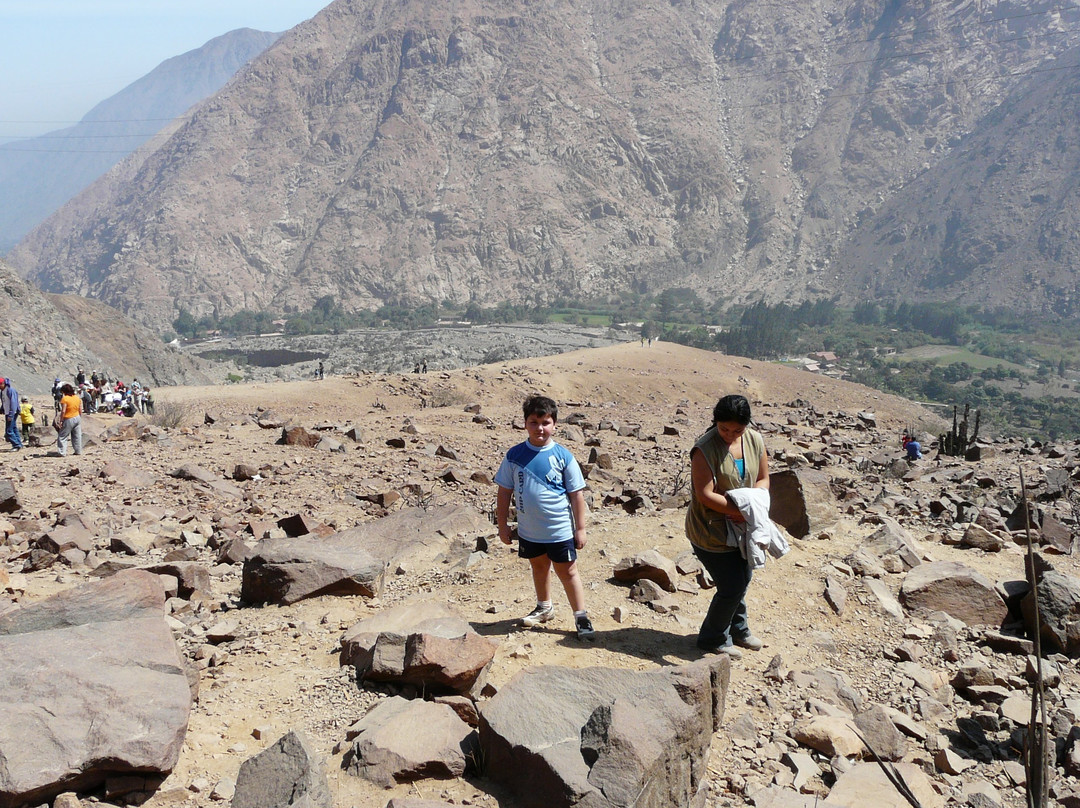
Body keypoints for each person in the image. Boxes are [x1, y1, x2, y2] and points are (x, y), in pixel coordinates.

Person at [495, 395, 594, 639]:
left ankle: (581, 616)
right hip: (530, 530)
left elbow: (576, 496)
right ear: (525, 423)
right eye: (534, 422)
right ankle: (544, 606)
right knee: (539, 567)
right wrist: (502, 526)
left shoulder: (563, 456)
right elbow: (504, 492)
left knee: (568, 572)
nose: (540, 428)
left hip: (559, 529)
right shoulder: (514, 455)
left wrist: (580, 529)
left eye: (545, 422)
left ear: (555, 424)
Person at [684, 394, 771, 659]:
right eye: (724, 428)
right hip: (710, 531)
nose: (730, 435)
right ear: (715, 422)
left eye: (737, 430)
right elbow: (705, 495)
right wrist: (740, 511)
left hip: (743, 528)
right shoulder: (704, 449)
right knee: (732, 585)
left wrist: (753, 506)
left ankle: (739, 629)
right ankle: (712, 638)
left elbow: (763, 478)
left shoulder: (754, 440)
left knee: (742, 579)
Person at [56, 383, 83, 456]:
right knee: (77, 435)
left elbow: (63, 410)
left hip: (68, 418)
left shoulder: (65, 399)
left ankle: (62, 452)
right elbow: (80, 409)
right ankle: (78, 451)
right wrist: (79, 417)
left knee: (63, 435)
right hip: (77, 417)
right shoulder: (77, 398)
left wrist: (61, 420)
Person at [0, 378, 23, 451]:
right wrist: (2, 409)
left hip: (12, 412)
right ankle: (19, 443)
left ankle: (16, 445)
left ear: (3, 383)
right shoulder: (2, 391)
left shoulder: (10, 390)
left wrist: (11, 414)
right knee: (14, 428)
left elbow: (13, 403)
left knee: (9, 430)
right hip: (8, 412)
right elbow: (4, 402)